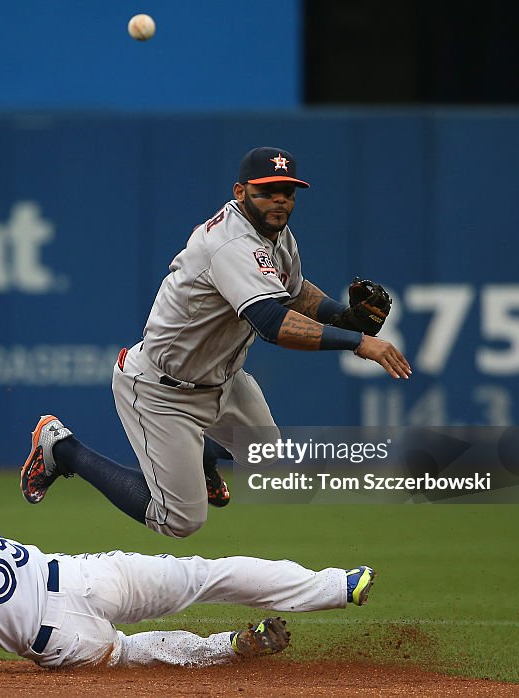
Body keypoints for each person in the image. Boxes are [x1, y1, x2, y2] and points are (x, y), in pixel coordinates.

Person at [21, 146, 412, 538]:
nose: (280, 199)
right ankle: (62, 448)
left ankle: (203, 457)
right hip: (162, 390)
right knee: (178, 521)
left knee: (266, 456)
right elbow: (272, 322)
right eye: (268, 190)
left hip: (223, 379)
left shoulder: (276, 234)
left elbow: (293, 293)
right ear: (240, 192)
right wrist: (357, 341)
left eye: (287, 191)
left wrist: (343, 316)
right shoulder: (231, 243)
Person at [0, 483, 377, 674]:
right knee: (205, 574)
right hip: (85, 576)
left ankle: (225, 648)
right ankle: (335, 586)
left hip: (59, 637)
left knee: (136, 656)